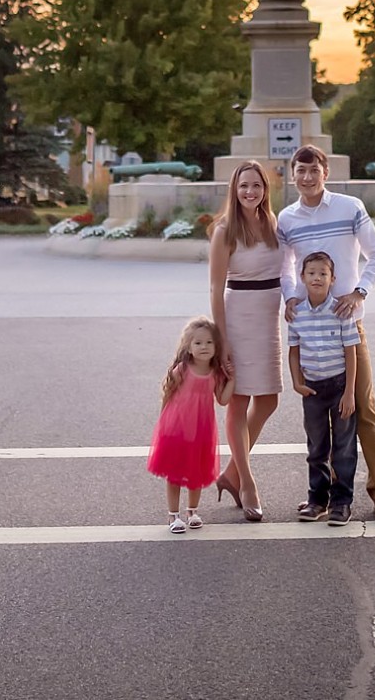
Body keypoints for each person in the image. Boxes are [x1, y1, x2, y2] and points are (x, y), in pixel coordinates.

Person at [277, 144, 375, 522]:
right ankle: (326, 496)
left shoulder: (350, 208)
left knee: (363, 409)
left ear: (325, 173)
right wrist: (292, 299)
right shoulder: (286, 219)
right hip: (311, 330)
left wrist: (359, 291)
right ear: (292, 174)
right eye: (300, 170)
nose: (307, 177)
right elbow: (284, 268)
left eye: (314, 170)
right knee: (318, 421)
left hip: (348, 326)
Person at [208, 160, 283, 522]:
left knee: (268, 400)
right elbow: (215, 288)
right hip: (238, 318)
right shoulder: (224, 231)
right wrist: (222, 340)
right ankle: (248, 482)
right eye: (243, 187)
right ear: (234, 191)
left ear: (265, 189)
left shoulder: (273, 224)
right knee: (237, 402)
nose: (250, 192)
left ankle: (231, 473)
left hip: (268, 321)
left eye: (256, 185)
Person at [286, 251, 360, 525]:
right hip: (313, 390)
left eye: (323, 273)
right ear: (303, 278)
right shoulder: (297, 314)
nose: (317, 278)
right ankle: (317, 500)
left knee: (343, 447)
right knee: (316, 446)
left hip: (340, 386)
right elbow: (293, 351)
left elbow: (351, 352)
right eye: (311, 273)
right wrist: (297, 381)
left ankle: (342, 502)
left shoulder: (341, 310)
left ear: (332, 279)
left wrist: (350, 392)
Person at [146, 317, 230, 533]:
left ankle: (192, 511)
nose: (204, 347)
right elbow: (169, 395)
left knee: (196, 473)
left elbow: (223, 399)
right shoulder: (183, 369)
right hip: (177, 428)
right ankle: (173, 515)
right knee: (174, 473)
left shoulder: (215, 372)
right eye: (198, 343)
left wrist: (233, 379)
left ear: (216, 346)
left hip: (202, 429)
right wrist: (164, 423)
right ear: (189, 347)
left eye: (209, 342)